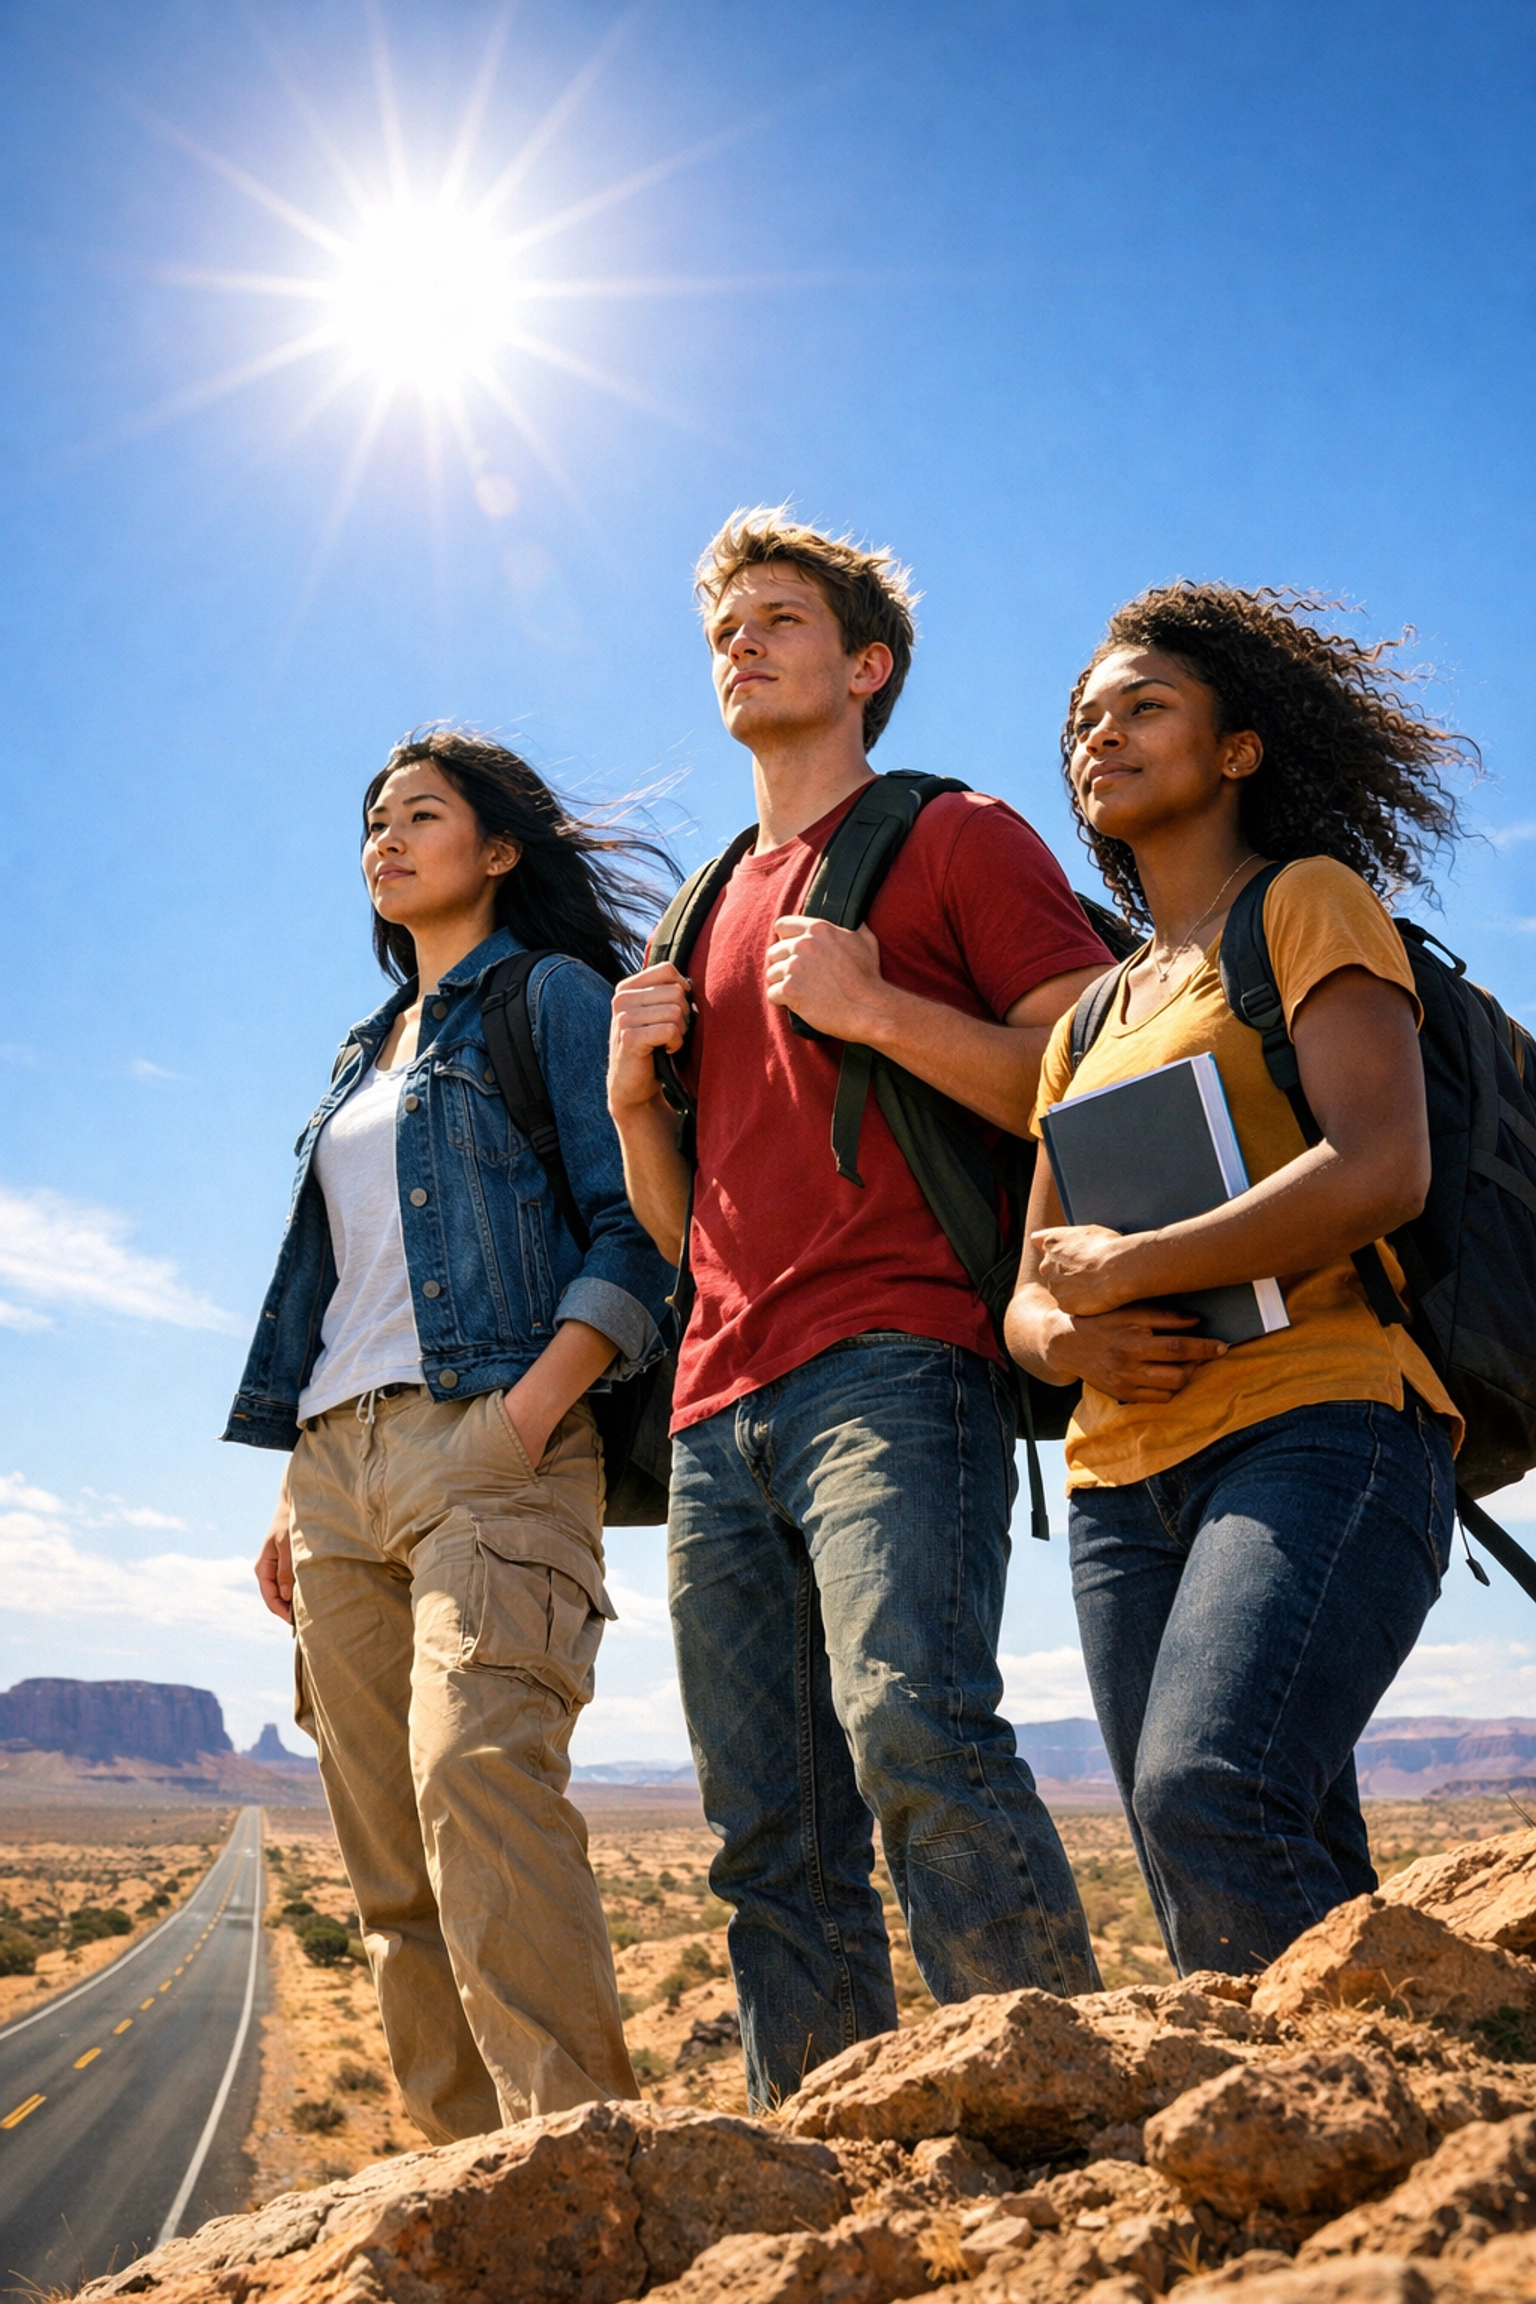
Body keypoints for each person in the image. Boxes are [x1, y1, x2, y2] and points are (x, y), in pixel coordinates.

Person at [606, 509, 1113, 2111]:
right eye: (724, 629)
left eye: (778, 620)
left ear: (867, 664)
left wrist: (877, 1009)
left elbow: (1088, 1082)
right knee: (770, 1833)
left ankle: (1067, 2131)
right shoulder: (699, 912)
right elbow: (691, 1233)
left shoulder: (956, 835)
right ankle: (827, 2176)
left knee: (916, 1735)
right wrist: (630, 1105)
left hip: (897, 1358)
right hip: (714, 1407)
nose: (740, 644)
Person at [1005, 582, 1470, 1978]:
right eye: (1084, 722)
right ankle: (1387, 2097)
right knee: (1234, 1852)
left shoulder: (1305, 905)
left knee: (1208, 1793)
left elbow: (1381, 1166)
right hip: (1117, 1483)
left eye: (1144, 707)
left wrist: (1139, 1263)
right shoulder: (1088, 1019)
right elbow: (1029, 1290)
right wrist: (1068, 1345)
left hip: (1320, 1424)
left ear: (1238, 750)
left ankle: (1362, 2099)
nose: (1101, 735)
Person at [231, 731, 673, 2141]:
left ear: (498, 851)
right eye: (373, 821)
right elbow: (343, 1292)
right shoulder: (357, 1055)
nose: (385, 838)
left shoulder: (549, 998)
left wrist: (529, 1413)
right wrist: (295, 1492)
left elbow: (640, 1232)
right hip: (334, 1468)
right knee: (387, 1863)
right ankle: (465, 2180)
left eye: (420, 815)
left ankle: (581, 2161)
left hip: (492, 1441)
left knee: (479, 1778)